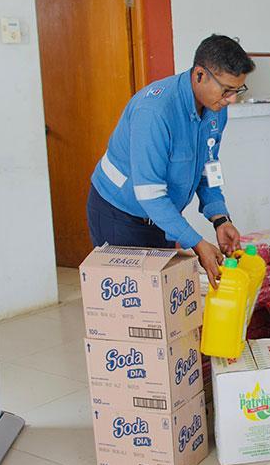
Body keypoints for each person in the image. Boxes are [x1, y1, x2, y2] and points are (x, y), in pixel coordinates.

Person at [86, 34, 255, 287]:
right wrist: (197, 242)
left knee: (161, 303)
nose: (231, 99)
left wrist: (220, 218)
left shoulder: (216, 110)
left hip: (162, 217)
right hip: (119, 215)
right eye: (227, 90)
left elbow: (209, 165)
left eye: (237, 90)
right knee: (133, 306)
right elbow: (150, 193)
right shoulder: (154, 112)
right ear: (200, 75)